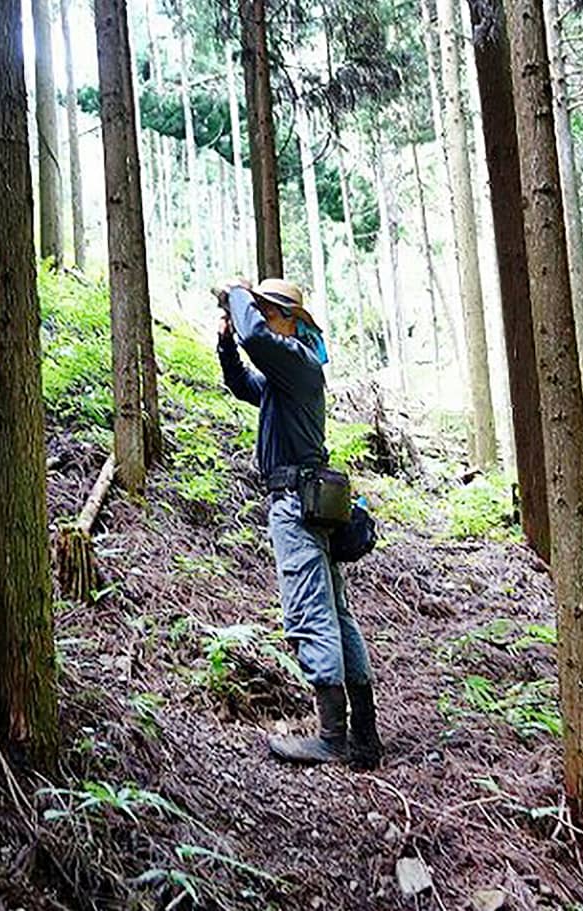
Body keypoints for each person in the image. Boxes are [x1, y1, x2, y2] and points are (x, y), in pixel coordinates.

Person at [216, 277, 382, 770]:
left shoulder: (296, 361)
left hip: (296, 503)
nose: (260, 317)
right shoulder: (292, 372)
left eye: (267, 310)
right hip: (308, 500)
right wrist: (226, 342)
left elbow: (257, 340)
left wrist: (237, 292)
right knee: (337, 614)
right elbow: (244, 384)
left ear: (287, 320)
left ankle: (333, 738)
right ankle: (363, 738)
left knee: (312, 614)